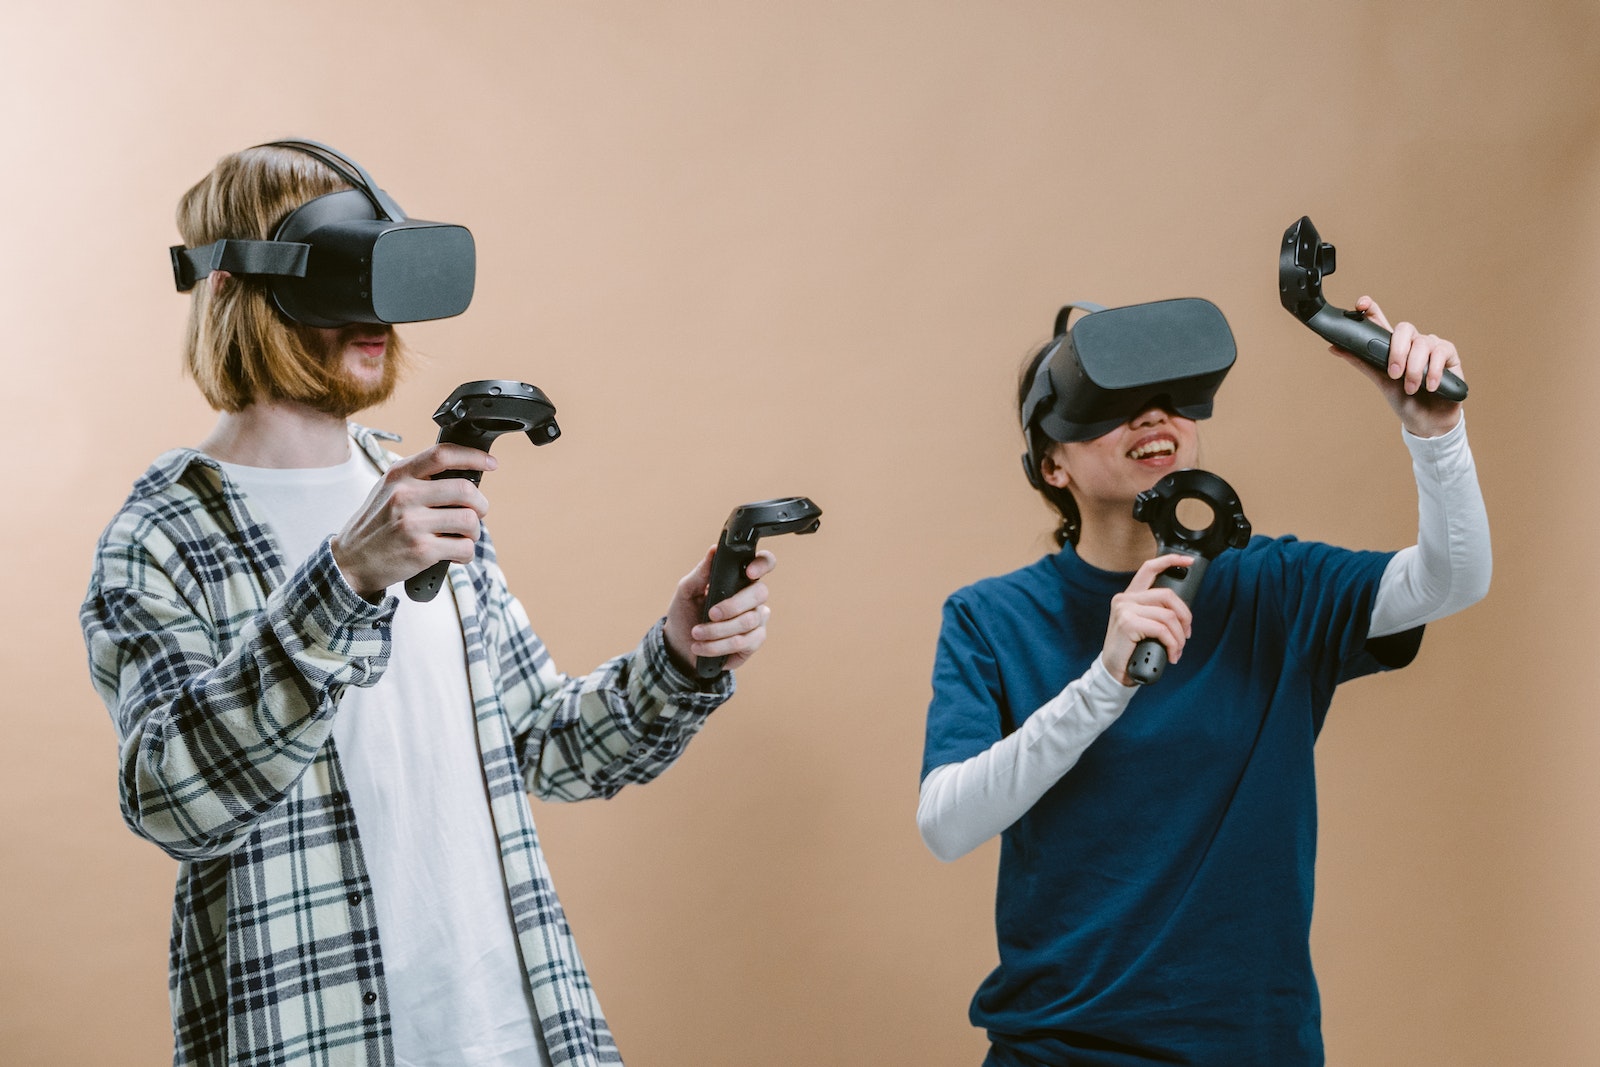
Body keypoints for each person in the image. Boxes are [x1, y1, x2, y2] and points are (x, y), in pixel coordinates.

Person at [81, 142, 778, 1067]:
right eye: (340, 273)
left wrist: (680, 658)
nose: (375, 314)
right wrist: (346, 581)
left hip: (516, 1032)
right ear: (235, 290)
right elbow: (171, 798)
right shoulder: (163, 533)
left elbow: (544, 745)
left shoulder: (419, 489)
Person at [917, 296, 1491, 1066]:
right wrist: (1101, 686)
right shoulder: (992, 618)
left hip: (1252, 1047)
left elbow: (1451, 580)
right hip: (1055, 1049)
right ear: (1051, 461)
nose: (1152, 416)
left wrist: (1436, 435)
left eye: (1170, 397)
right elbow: (946, 823)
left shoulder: (1275, 588)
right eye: (1111, 403)